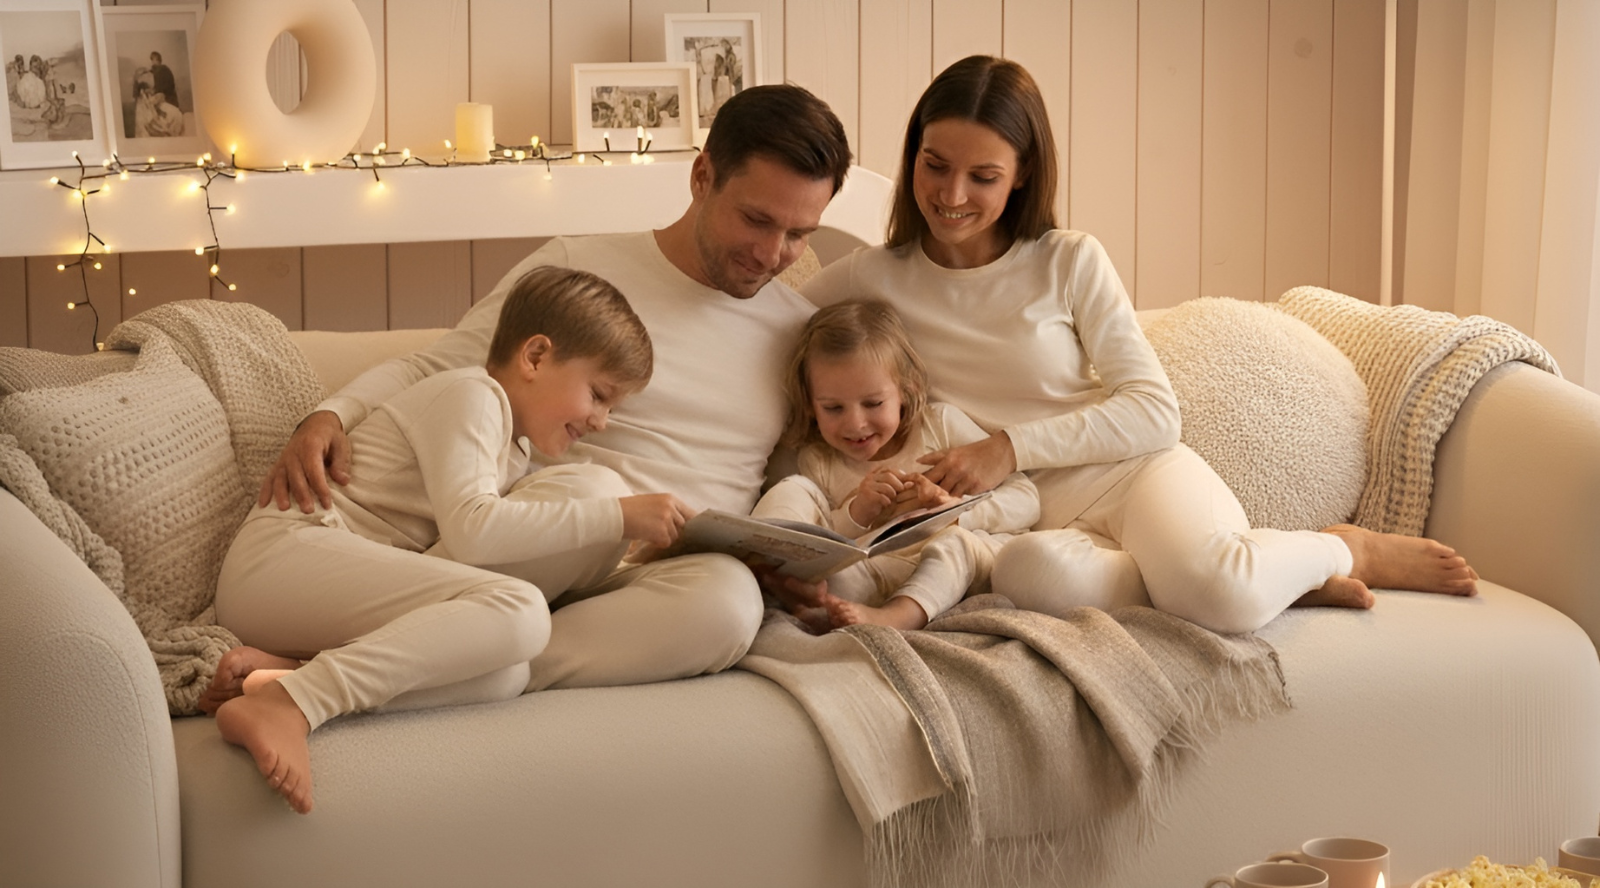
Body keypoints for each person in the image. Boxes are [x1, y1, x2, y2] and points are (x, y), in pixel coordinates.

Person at [799, 55, 1477, 636]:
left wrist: (1007, 447)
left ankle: (1338, 551)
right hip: (1020, 524)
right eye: (934, 165)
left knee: (1218, 594)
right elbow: (765, 324)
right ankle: (1267, 580)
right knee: (1032, 582)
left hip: (1126, 472)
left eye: (983, 177)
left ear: (1023, 175)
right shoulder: (872, 277)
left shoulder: (1067, 260)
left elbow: (1155, 411)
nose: (950, 195)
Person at [257, 84, 852, 693]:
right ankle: (418, 655)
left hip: (649, 580)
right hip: (536, 547)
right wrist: (330, 413)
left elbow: (790, 477)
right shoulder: (579, 269)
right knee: (592, 486)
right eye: (756, 220)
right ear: (703, 176)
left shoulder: (798, 332)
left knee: (729, 605)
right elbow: (437, 370)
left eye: (799, 234)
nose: (772, 253)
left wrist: (784, 560)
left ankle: (429, 667)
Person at [202, 266, 693, 814]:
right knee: (520, 611)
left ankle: (289, 675)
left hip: (311, 590)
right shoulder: (473, 396)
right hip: (283, 559)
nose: (602, 421)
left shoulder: (514, 446)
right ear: (534, 357)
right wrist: (617, 517)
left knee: (505, 668)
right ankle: (293, 704)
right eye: (599, 395)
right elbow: (475, 532)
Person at [753, 300, 1039, 630]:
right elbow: (831, 540)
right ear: (809, 405)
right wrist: (858, 512)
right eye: (833, 408)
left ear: (906, 390)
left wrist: (957, 510)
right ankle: (787, 579)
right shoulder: (820, 460)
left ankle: (897, 618)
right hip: (880, 572)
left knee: (953, 547)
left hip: (963, 560)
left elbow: (1027, 499)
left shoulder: (939, 426)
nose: (856, 424)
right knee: (830, 562)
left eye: (873, 403)